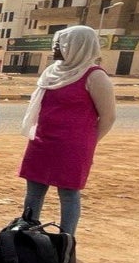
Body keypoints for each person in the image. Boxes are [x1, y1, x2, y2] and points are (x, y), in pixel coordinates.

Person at [18, 24, 116, 236]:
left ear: (78, 46)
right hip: (42, 140)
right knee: (34, 191)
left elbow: (108, 117)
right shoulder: (51, 72)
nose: (55, 49)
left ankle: (66, 242)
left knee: (68, 193)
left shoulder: (95, 76)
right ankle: (27, 234)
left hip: (72, 147)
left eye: (60, 45)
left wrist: (87, 143)